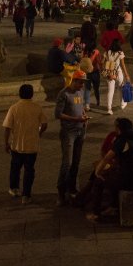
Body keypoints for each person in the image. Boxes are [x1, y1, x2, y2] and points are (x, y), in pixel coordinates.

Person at [86, 117, 133, 222]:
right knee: (113, 176)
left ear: (119, 128)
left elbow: (106, 158)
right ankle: (113, 207)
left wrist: (97, 172)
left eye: (115, 126)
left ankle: (96, 214)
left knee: (99, 181)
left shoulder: (122, 140)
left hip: (129, 181)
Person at [3, 84, 48, 205]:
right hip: (32, 146)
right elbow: (44, 124)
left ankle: (14, 189)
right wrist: (39, 133)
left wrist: (6, 143)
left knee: (15, 168)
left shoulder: (14, 108)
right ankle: (26, 195)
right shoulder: (37, 107)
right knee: (29, 170)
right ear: (32, 94)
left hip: (17, 145)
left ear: (19, 94)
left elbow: (7, 127)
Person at [54, 69, 89, 206]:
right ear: (74, 81)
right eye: (80, 83)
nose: (82, 86)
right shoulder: (64, 94)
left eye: (83, 83)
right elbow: (58, 114)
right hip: (69, 132)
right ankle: (61, 192)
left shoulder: (80, 92)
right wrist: (76, 119)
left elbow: (80, 108)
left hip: (81, 130)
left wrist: (84, 116)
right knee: (66, 163)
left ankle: (72, 188)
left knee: (76, 162)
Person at [102, 39, 131, 115]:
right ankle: (122, 104)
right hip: (118, 72)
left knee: (110, 91)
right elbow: (123, 65)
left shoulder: (107, 52)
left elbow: (103, 62)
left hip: (109, 73)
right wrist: (127, 75)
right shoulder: (120, 53)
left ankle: (109, 109)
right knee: (121, 88)